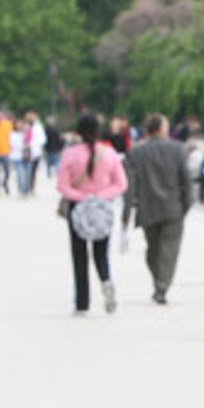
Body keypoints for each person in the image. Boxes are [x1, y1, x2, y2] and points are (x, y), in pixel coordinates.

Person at [57, 114, 128, 315]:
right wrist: (100, 196)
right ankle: (106, 280)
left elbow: (62, 185)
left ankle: (82, 302)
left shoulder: (70, 154)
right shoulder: (110, 153)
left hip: (78, 207)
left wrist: (81, 196)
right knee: (101, 252)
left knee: (79, 254)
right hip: (102, 208)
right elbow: (121, 184)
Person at [123, 113, 193, 304]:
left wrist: (127, 212)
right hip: (173, 208)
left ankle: (159, 283)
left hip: (148, 208)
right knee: (169, 250)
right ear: (162, 128)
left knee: (153, 250)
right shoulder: (178, 149)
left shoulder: (136, 152)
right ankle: (162, 284)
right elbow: (186, 181)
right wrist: (186, 204)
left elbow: (129, 185)